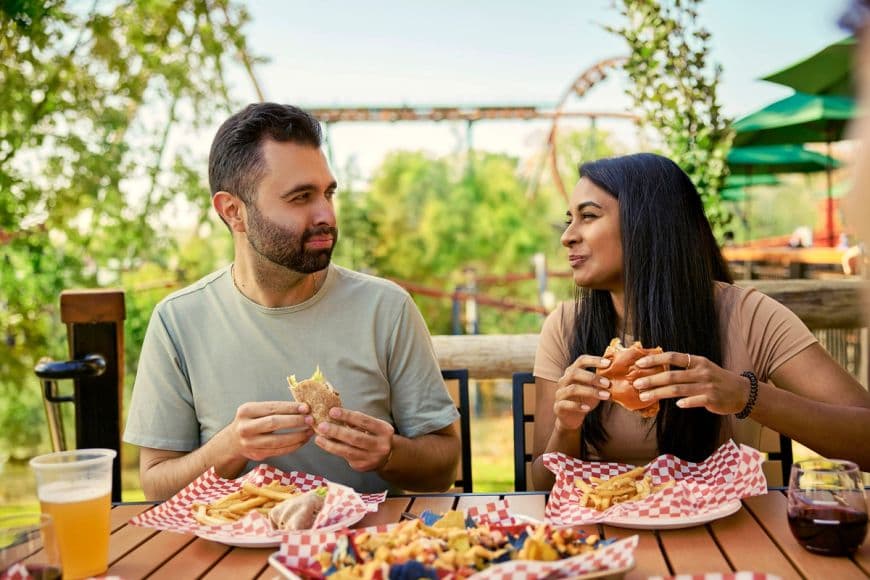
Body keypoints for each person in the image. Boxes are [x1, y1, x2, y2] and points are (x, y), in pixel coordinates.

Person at [123, 103, 460, 499]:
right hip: (230, 555)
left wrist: (389, 453)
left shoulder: (386, 309)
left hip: (365, 552)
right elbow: (156, 486)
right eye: (300, 197)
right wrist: (230, 447)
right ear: (233, 211)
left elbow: (444, 468)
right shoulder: (178, 321)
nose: (326, 215)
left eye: (328, 193)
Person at [531, 153, 870, 490]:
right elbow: (541, 488)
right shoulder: (565, 327)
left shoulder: (750, 316)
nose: (567, 236)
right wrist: (567, 427)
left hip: (730, 538)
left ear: (647, 223)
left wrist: (745, 395)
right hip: (608, 538)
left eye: (588, 216)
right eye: (569, 220)